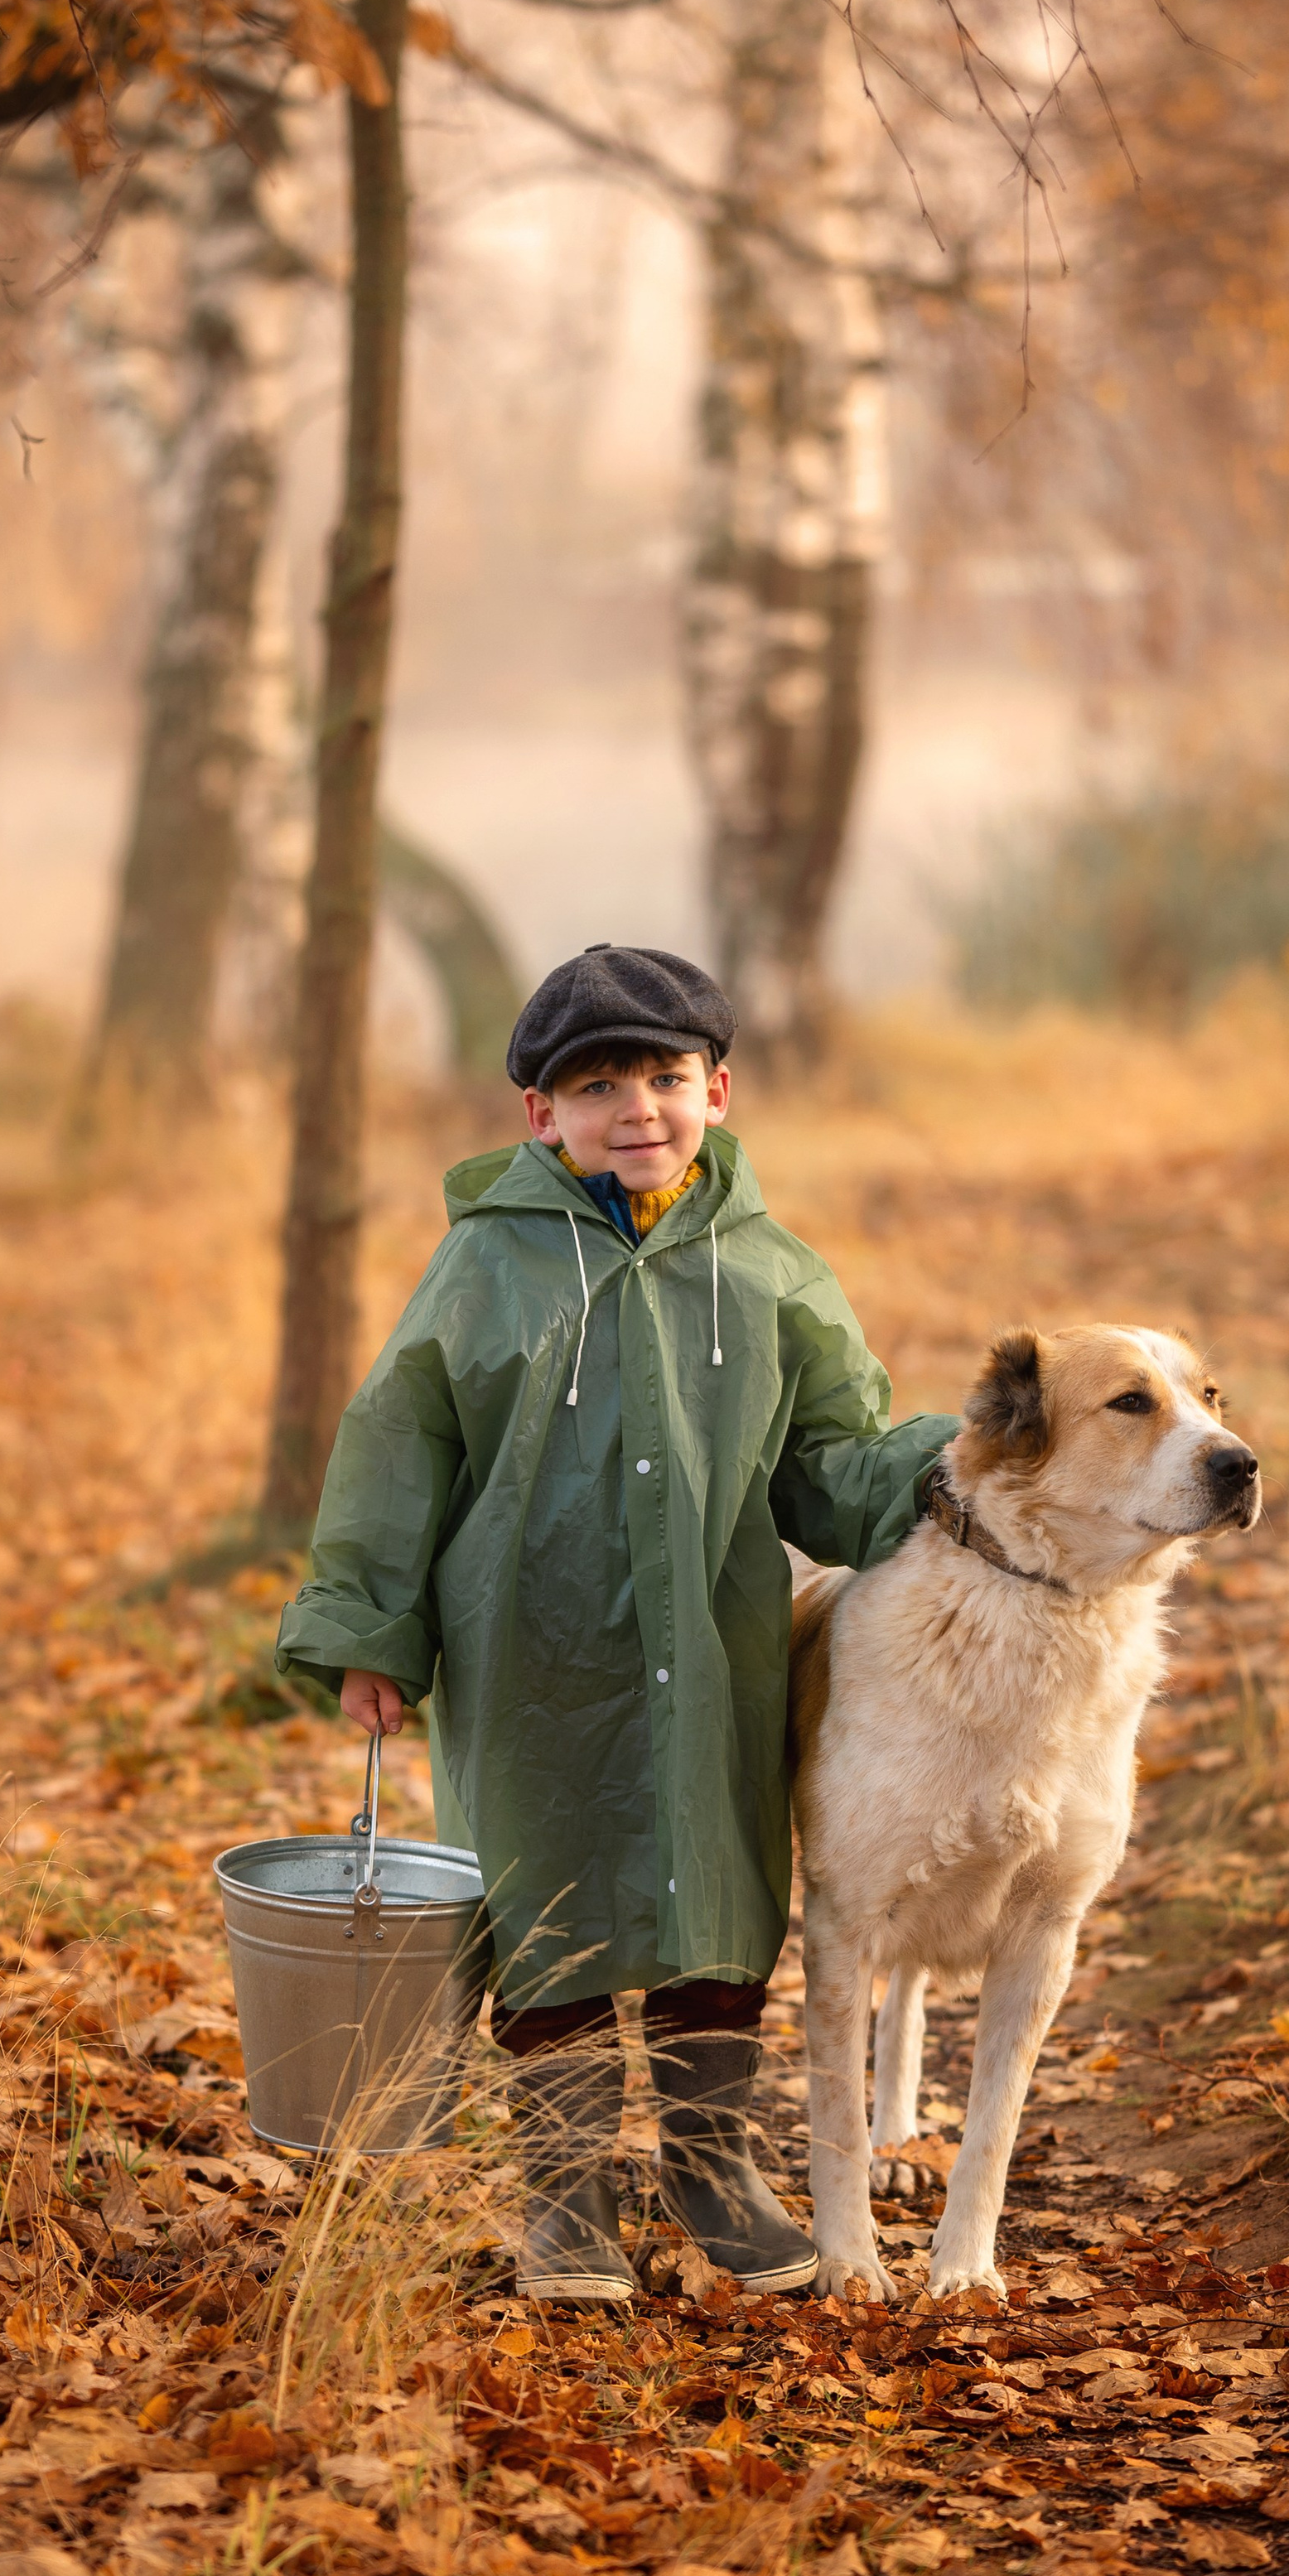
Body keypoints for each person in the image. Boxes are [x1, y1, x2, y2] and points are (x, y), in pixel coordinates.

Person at [275, 943, 956, 2302]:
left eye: (662, 1076)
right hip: (529, 1652)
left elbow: (828, 1458)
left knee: (718, 1893)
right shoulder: (484, 1269)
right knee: (546, 1903)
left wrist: (938, 1470)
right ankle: (570, 2200)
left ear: (718, 1087)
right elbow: (400, 1440)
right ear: (541, 1115)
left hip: (710, 1652)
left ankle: (711, 2167)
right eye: (596, 1086)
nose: (635, 1106)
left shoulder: (770, 1273)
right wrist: (370, 1626)